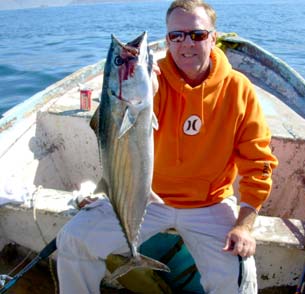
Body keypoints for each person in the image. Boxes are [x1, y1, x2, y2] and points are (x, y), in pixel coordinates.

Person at [56, 0, 278, 293]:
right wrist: (110, 189)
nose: (186, 43)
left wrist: (244, 225)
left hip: (209, 203)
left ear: (213, 37)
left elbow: (258, 161)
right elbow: (118, 138)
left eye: (197, 35)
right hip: (145, 197)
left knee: (239, 275)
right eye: (176, 35)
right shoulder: (150, 82)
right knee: (74, 240)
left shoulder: (238, 89)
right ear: (168, 39)